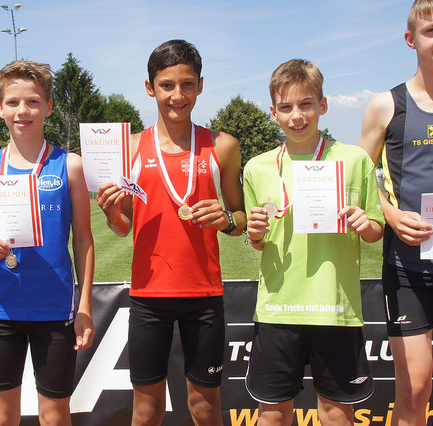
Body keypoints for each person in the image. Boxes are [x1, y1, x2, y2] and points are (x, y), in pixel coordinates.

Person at [97, 39, 246, 426]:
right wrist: (111, 212)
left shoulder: (223, 146)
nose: (177, 96)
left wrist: (226, 220)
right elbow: (123, 227)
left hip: (204, 296)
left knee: (204, 407)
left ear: (200, 86)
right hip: (149, 297)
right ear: (150, 87)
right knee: (147, 410)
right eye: (166, 85)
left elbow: (241, 219)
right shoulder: (129, 148)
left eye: (187, 84)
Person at [243, 59, 384, 426]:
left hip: (335, 308)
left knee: (336, 414)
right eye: (286, 107)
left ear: (323, 105)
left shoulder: (354, 160)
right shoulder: (257, 167)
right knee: (273, 416)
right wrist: (255, 232)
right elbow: (258, 242)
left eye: (306, 104)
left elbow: (376, 229)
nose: (297, 116)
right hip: (278, 309)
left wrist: (364, 223)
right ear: (273, 112)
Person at [0, 60, 95, 426]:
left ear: (48, 107)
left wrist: (84, 306)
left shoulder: (70, 166)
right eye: (13, 102)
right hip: (0, 310)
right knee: (2, 417)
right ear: (0, 108)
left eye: (33, 102)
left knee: (55, 416)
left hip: (54, 310)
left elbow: (83, 239)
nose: (23, 110)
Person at [358, 1, 433, 424]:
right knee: (415, 387)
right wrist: (389, 214)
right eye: (432, 30)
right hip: (406, 268)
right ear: (410, 39)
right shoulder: (385, 105)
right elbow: (359, 180)